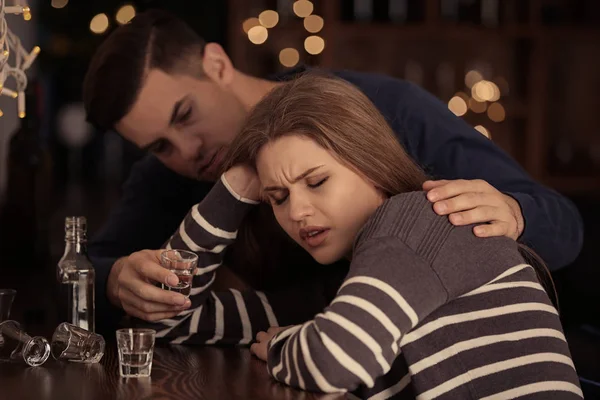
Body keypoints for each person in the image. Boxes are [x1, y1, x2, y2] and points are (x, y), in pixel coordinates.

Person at [82, 10, 583, 332]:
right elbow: (87, 270)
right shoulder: (171, 174)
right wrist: (114, 279)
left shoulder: (386, 108)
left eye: (185, 116)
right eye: (160, 146)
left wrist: (513, 211)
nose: (187, 152)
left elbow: (563, 225)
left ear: (215, 63)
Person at [139, 74, 581, 399]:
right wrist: (230, 194)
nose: (296, 212)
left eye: (316, 182)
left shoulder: (416, 224)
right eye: (276, 196)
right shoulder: (346, 285)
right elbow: (167, 320)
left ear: (368, 161)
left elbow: (334, 360)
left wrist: (281, 345)